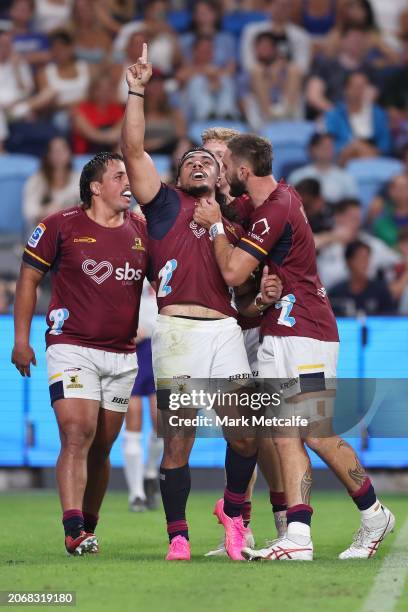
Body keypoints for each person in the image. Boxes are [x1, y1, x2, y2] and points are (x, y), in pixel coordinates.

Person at [193, 133, 395, 561]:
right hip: (283, 329)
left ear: (244, 170)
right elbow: (233, 209)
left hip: (303, 328)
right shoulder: (272, 199)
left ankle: (372, 515)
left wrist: (213, 226)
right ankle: (299, 534)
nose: (224, 171)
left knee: (315, 436)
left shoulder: (276, 211)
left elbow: (232, 271)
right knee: (287, 434)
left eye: (228, 165)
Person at [120, 44, 282, 562]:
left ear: (222, 175)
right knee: (177, 443)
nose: (197, 163)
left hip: (226, 332)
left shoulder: (235, 222)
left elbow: (246, 288)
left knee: (246, 436)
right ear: (180, 173)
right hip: (178, 333)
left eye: (207, 160)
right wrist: (138, 89)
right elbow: (133, 151)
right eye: (189, 159)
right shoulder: (163, 202)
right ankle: (178, 536)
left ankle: (235, 519)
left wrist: (263, 296)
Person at [11, 152, 149, 556]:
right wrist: (22, 340)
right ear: (95, 187)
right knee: (77, 433)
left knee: (102, 447)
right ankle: (73, 529)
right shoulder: (60, 225)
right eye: (118, 175)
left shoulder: (142, 230)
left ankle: (88, 527)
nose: (128, 182)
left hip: (123, 355)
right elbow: (28, 279)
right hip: (71, 346)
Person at [201, 126, 287, 557]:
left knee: (263, 432)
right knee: (239, 434)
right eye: (209, 155)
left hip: (253, 329)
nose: (216, 165)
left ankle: (279, 521)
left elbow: (264, 270)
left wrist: (264, 298)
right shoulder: (190, 208)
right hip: (215, 332)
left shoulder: (248, 211)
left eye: (222, 156)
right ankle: (244, 527)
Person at [123, 280, 163, 513]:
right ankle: (136, 493)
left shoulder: (161, 259)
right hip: (131, 348)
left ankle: (150, 472)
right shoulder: (127, 261)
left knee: (161, 423)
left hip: (158, 347)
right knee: (133, 419)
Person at [325, 71, 391, 164]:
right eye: (356, 87)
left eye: (363, 87)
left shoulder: (378, 113)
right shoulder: (334, 114)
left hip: (374, 157)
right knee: (355, 146)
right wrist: (353, 147)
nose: (359, 91)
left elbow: (385, 145)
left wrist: (364, 149)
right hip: (345, 159)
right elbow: (330, 144)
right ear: (346, 89)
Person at [23, 136, 80, 230]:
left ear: (70, 153)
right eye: (53, 151)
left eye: (62, 150)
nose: (58, 155)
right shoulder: (36, 181)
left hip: (74, 231)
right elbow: (29, 213)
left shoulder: (80, 179)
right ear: (47, 155)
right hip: (43, 232)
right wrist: (45, 212)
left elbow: (89, 208)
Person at [329, 240, 396, 316]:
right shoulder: (335, 293)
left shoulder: (381, 291)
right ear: (349, 262)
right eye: (360, 258)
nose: (365, 263)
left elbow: (390, 320)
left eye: (367, 258)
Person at [288, 133, 358, 205]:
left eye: (330, 146)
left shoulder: (345, 177)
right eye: (323, 146)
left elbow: (352, 206)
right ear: (312, 149)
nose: (327, 150)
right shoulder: (297, 176)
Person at [72, 74, 124, 155]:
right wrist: (109, 137)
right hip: (87, 154)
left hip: (112, 154)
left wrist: (104, 136)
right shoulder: (81, 109)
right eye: (100, 89)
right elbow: (90, 134)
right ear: (92, 91)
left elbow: (120, 132)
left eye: (108, 89)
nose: (104, 93)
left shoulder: (117, 109)